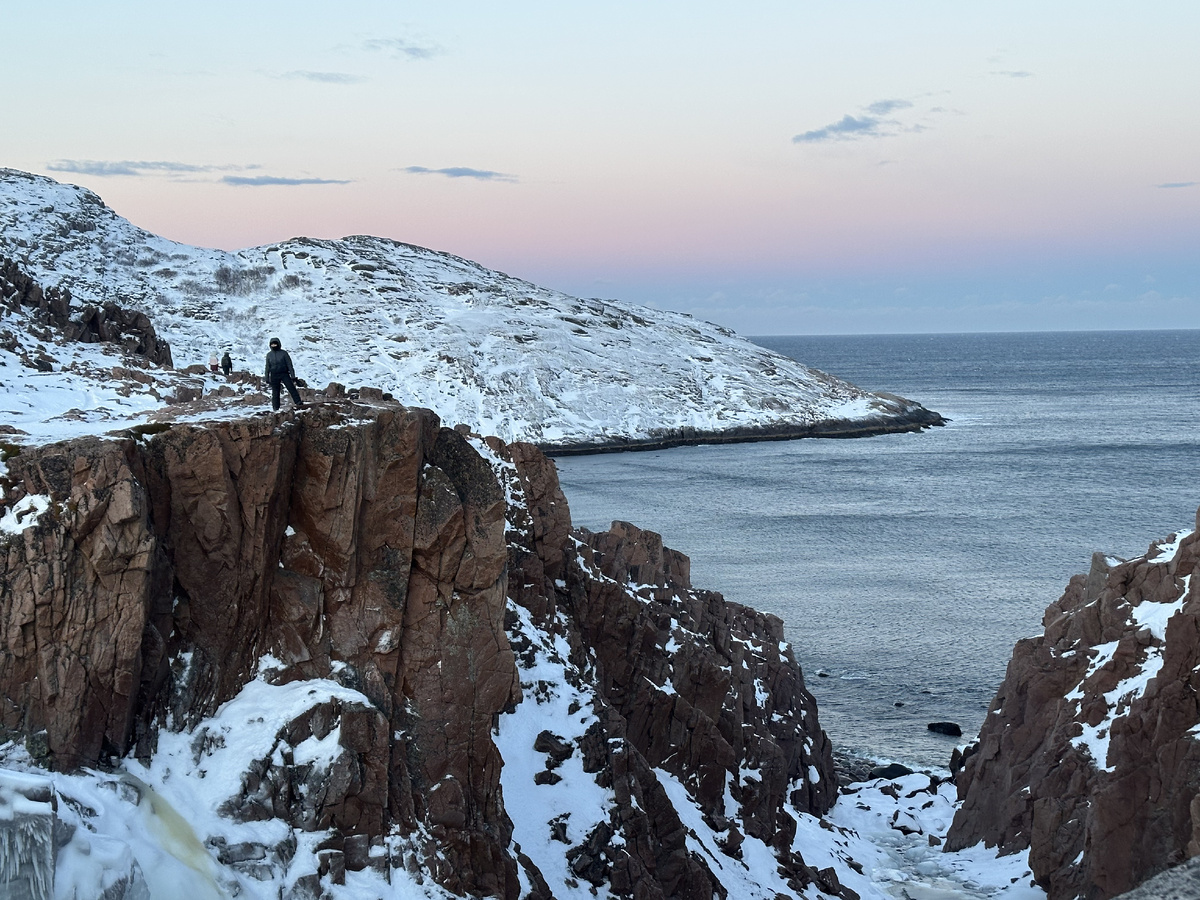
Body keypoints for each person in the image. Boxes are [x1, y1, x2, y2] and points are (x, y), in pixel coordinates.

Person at [263, 338, 306, 411]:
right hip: (274, 375)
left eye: (275, 344)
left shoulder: (284, 353)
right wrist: (266, 377)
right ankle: (276, 408)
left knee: (291, 388)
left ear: (278, 344)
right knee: (275, 392)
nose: (274, 345)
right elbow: (267, 367)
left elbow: (289, 365)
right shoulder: (269, 355)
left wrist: (293, 376)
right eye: (272, 344)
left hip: (284, 374)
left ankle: (298, 403)